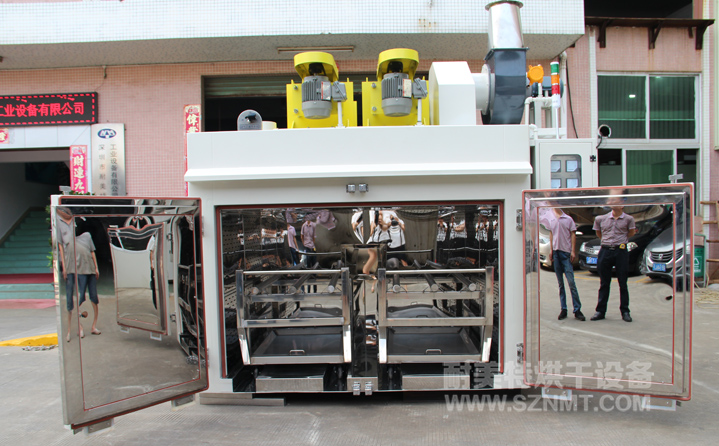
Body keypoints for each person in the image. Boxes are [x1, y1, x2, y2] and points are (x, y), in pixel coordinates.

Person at [57, 207, 101, 342]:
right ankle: (78, 326)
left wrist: (96, 268)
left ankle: (93, 326)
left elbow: (92, 251)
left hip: (90, 270)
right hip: (77, 270)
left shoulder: (87, 236)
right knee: (79, 298)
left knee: (94, 297)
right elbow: (61, 248)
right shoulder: (68, 240)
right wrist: (65, 268)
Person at [590, 204, 636, 322]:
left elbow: (631, 233)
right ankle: (600, 311)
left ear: (622, 205)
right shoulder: (601, 219)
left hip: (620, 251)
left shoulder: (629, 219)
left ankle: (625, 311)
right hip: (605, 250)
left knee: (623, 283)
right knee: (604, 283)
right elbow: (599, 233)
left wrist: (620, 240)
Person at [548, 208, 584, 321]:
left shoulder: (568, 219)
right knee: (560, 284)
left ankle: (577, 309)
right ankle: (563, 309)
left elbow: (573, 234)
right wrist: (551, 250)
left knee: (571, 282)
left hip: (565, 253)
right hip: (556, 253)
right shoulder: (551, 219)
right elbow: (551, 233)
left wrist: (572, 250)